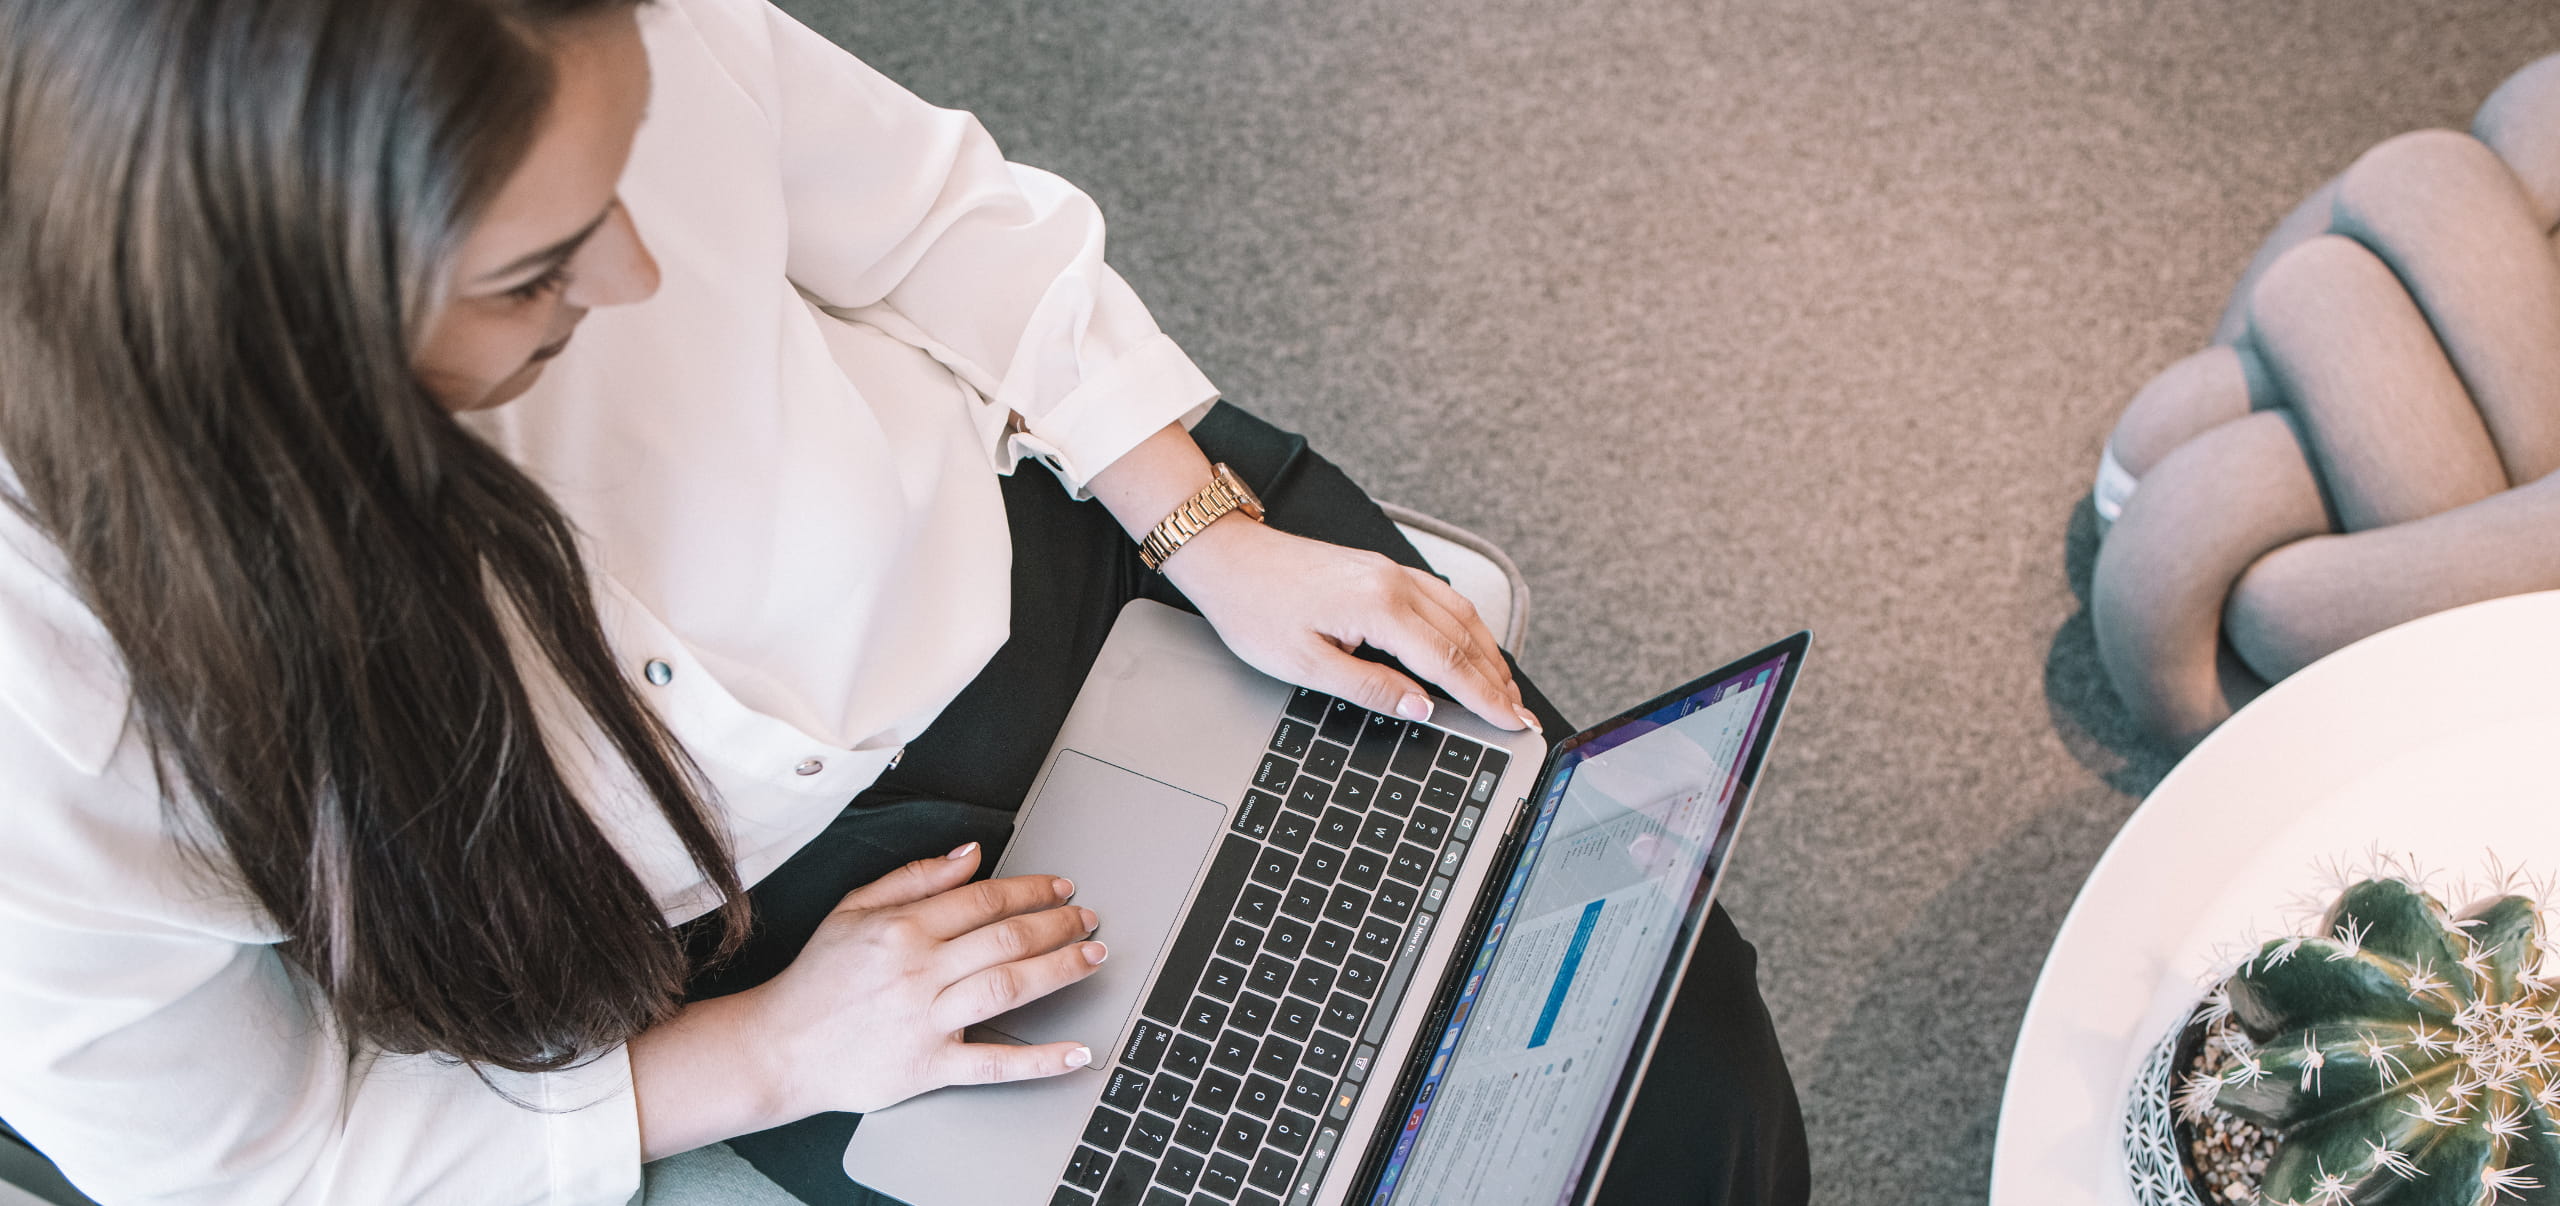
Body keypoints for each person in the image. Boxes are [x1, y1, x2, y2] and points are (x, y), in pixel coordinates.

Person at [0, 0, 1810, 1201]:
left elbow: (931, 222)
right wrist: (759, 1054)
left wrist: (1203, 523)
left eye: (625, 182)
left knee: (1656, 1038)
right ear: (279, 360)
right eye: (541, 268)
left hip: (1058, 581)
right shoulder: (47, 701)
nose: (638, 271)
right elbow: (249, 1162)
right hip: (723, 942)